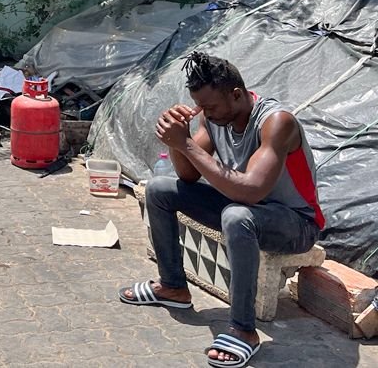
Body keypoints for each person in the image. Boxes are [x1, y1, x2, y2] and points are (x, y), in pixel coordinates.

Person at [118, 52, 325, 367]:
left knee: (237, 216)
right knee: (159, 189)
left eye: (211, 106)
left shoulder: (276, 123)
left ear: (237, 95)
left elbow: (252, 190)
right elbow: (188, 175)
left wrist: (186, 144)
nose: (205, 113)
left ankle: (243, 331)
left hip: (295, 224)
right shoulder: (213, 118)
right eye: (200, 106)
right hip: (245, 208)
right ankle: (173, 287)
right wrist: (178, 141)